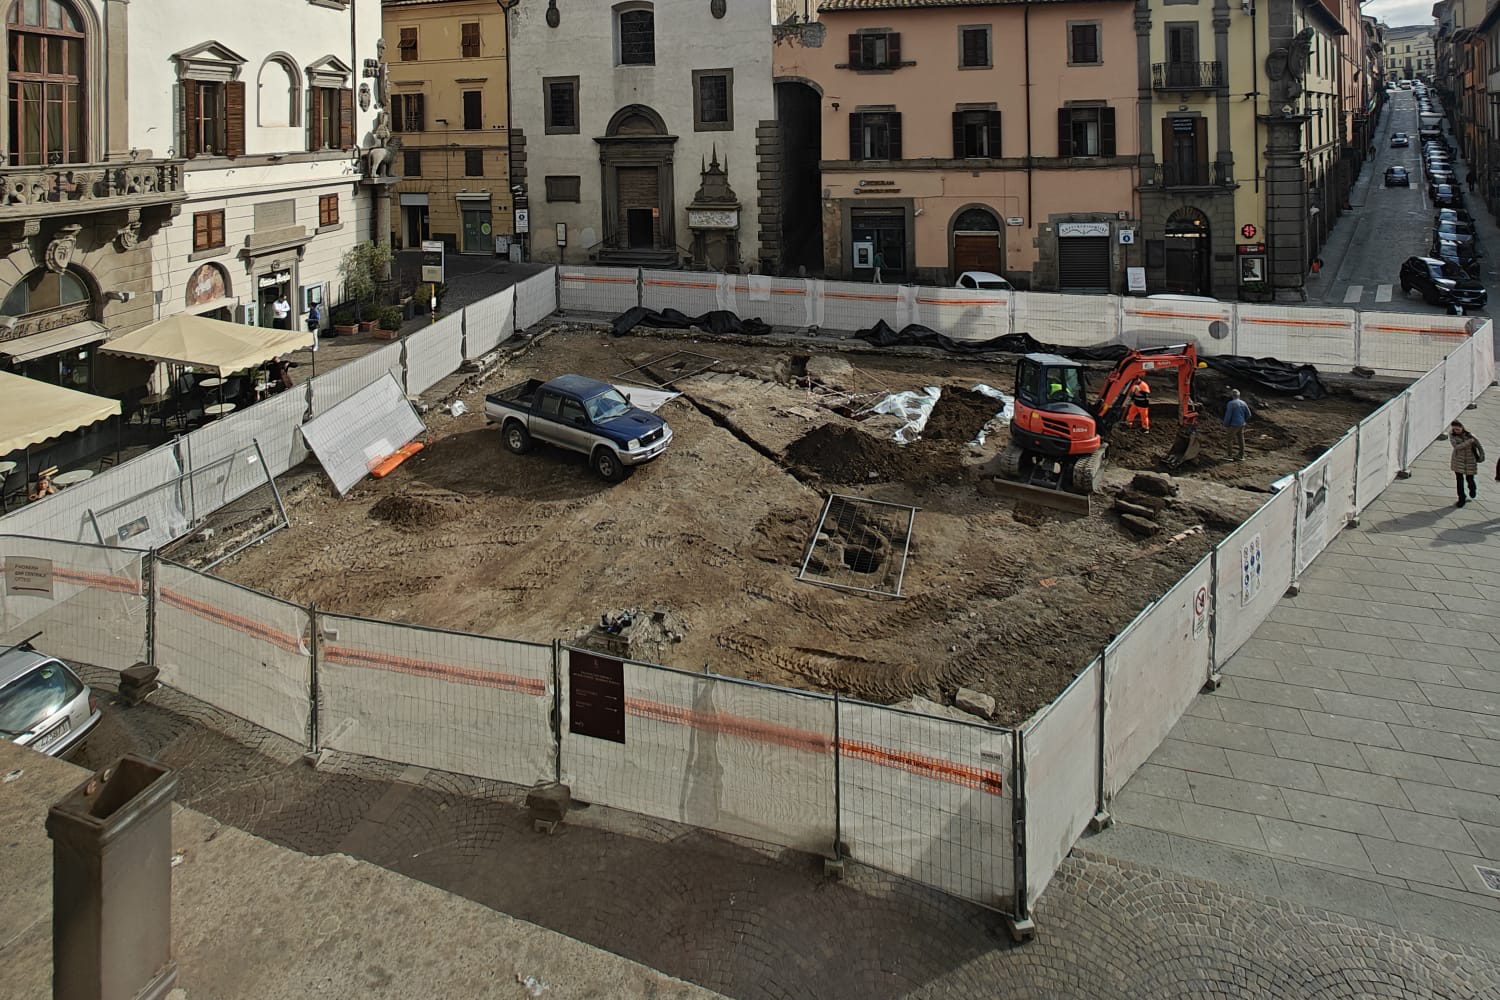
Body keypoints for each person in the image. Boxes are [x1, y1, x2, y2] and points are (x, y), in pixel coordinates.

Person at [1450, 420, 1483, 507]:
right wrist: (1468, 442)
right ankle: (1461, 498)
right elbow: (1457, 447)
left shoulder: (1470, 435)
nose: (1456, 431)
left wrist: (1481, 457)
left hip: (1470, 460)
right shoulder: (1452, 436)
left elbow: (1479, 446)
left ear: (1462, 427)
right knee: (1459, 480)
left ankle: (1472, 489)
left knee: (1470, 479)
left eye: (1458, 429)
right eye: (1454, 429)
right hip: (1458, 460)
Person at [1223, 388, 1252, 462]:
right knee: (1241, 439)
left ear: (1232, 395)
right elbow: (1249, 414)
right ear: (1239, 396)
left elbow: (1228, 415)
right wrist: (1243, 420)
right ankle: (1241, 455)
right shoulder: (1243, 403)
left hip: (1233, 425)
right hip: (1241, 424)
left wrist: (1226, 424)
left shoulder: (1231, 404)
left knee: (1229, 439)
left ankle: (1229, 456)